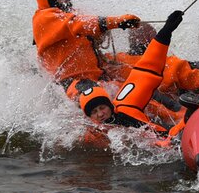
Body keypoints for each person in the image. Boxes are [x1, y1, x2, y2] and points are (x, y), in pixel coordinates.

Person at [78, 10, 187, 138]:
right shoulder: (93, 132)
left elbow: (147, 70)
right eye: (95, 112)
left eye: (102, 108)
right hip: (162, 104)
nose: (100, 114)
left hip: (170, 109)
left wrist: (166, 31)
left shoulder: (124, 95)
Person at [32, 0, 141, 96]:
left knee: (146, 74)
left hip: (99, 72)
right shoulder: (44, 18)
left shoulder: (70, 13)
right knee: (137, 94)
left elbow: (87, 28)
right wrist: (116, 22)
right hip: (75, 83)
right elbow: (78, 24)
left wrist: (102, 31)